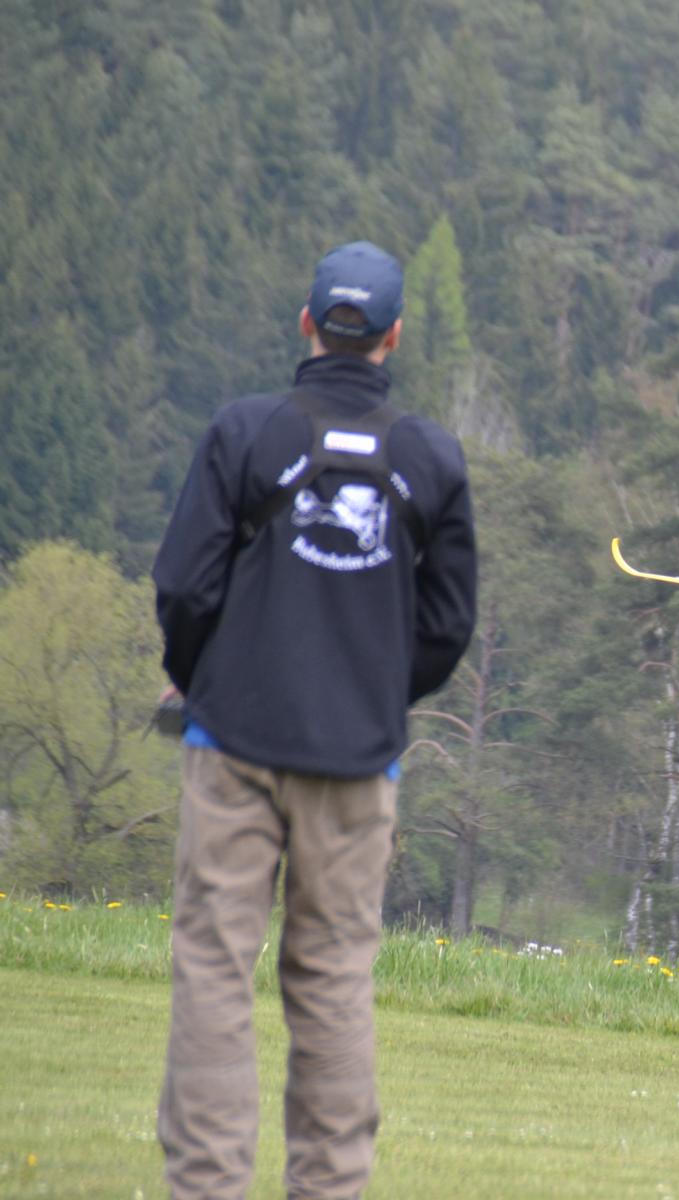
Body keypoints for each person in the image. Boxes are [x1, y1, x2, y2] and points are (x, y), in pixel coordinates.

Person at [151, 241, 477, 1199]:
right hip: (357, 763)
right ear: (393, 337)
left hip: (233, 744)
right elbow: (446, 627)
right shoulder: (432, 459)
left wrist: (201, 681)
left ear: (307, 324)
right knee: (333, 980)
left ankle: (207, 1185)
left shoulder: (244, 433)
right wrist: (373, 693)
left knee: (215, 971)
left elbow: (185, 588)